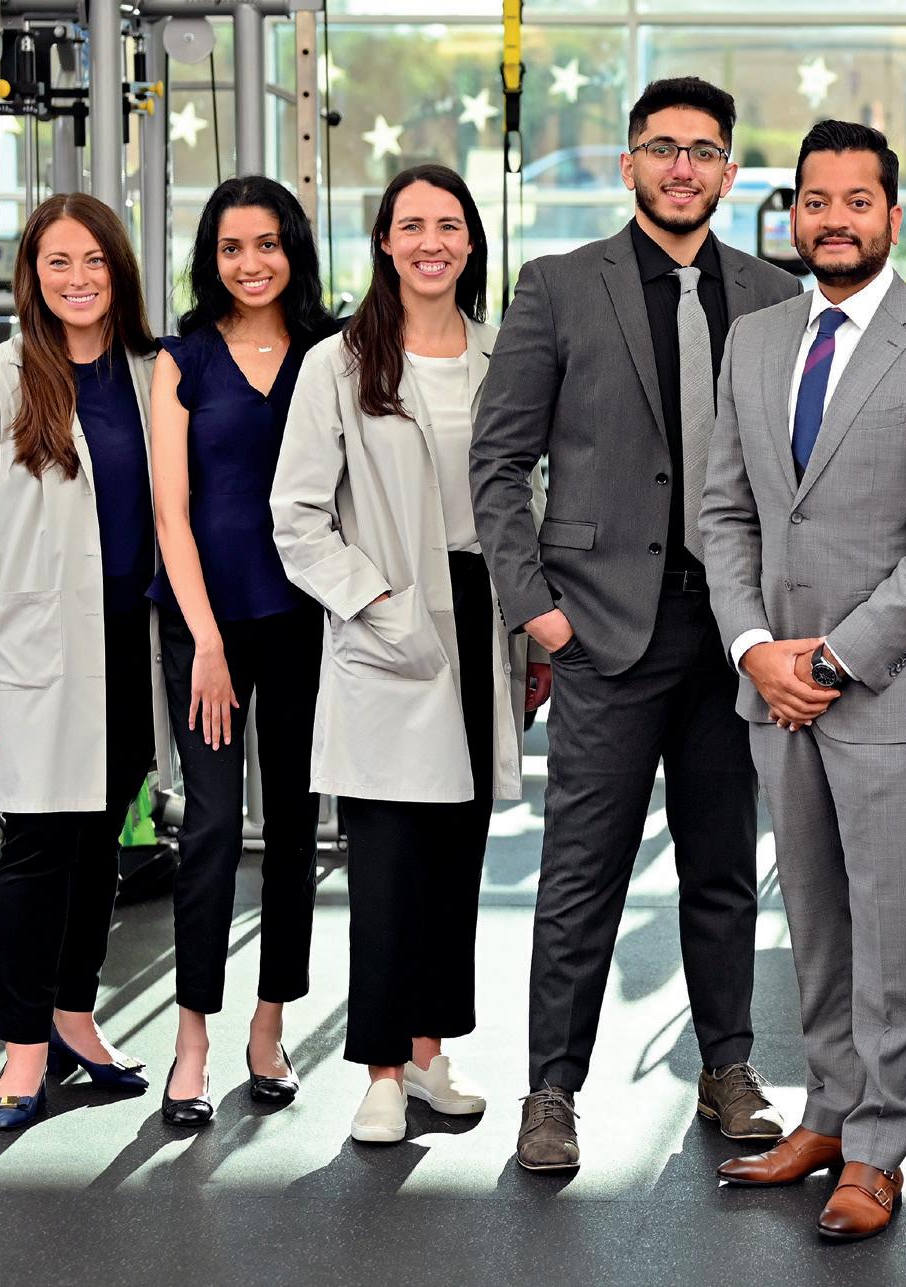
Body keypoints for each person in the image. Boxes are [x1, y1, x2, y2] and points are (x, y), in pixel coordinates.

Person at [470, 76, 801, 1171]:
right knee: (581, 876)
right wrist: (537, 613)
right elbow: (498, 461)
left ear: (729, 171)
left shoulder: (775, 296)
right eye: (662, 148)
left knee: (722, 867)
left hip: (734, 634)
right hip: (602, 632)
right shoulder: (560, 286)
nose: (681, 167)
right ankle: (551, 1092)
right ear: (628, 165)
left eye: (702, 150)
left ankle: (728, 1069)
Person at [700, 120, 906, 1241]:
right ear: (791, 213)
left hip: (881, 692)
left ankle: (878, 1146)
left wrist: (827, 658)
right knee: (815, 923)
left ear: (891, 216)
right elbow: (725, 512)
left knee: (888, 927)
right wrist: (753, 647)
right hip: (773, 689)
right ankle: (825, 1114)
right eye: (813, 201)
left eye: (855, 201)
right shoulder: (755, 341)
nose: (832, 220)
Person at [272, 165, 548, 1144]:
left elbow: (526, 490)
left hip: (481, 614)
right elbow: (296, 516)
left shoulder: (501, 355)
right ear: (385, 242)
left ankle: (430, 1055)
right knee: (388, 863)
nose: (431, 242)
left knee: (455, 856)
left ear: (470, 241)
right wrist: (376, 602)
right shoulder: (336, 364)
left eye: (448, 225)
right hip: (386, 617)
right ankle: (381, 1071)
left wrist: (530, 621)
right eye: (411, 226)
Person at [0, 193, 159, 1130]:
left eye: (93, 260)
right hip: (30, 645)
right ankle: (23, 1045)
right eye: (57, 261)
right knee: (35, 846)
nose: (77, 278)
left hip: (131, 641)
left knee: (100, 841)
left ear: (119, 270)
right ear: (31, 274)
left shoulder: (151, 372)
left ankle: (74, 1015)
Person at [151, 177, 341, 1127]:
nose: (250, 262)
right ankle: (191, 1037)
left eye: (266, 243)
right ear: (210, 258)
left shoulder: (329, 352)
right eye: (231, 247)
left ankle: (269, 1026)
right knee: (214, 826)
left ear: (292, 248)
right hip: (204, 626)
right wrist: (207, 642)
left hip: (306, 617)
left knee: (297, 828)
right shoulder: (180, 359)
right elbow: (170, 514)